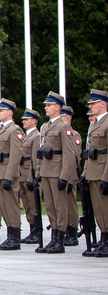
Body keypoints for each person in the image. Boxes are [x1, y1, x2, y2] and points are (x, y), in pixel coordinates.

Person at [36, 91, 76, 254]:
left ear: (58, 107)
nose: (46, 108)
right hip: (46, 171)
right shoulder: (45, 126)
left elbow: (69, 154)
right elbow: (41, 151)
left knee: (60, 207)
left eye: (49, 105)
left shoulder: (63, 126)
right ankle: (53, 237)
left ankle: (60, 239)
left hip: (57, 171)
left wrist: (64, 176)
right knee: (50, 206)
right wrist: (38, 172)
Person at [0, 99, 24, 250]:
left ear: (10, 112)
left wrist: (9, 177)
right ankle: (9, 236)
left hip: (7, 174)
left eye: (2, 110)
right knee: (3, 206)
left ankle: (15, 237)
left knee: (11, 206)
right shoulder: (1, 130)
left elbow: (16, 156)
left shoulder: (14, 130)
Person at [84, 89, 108, 257]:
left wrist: (106, 177)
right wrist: (85, 174)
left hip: (103, 172)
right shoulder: (94, 124)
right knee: (98, 210)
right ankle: (103, 239)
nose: (90, 106)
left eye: (93, 103)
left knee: (105, 209)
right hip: (93, 172)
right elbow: (89, 151)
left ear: (103, 103)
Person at [18, 109, 41, 244]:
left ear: (34, 121)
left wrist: (33, 177)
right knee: (27, 204)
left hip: (29, 173)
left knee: (33, 204)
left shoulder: (36, 136)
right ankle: (32, 230)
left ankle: (37, 231)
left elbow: (34, 158)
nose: (23, 121)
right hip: (22, 173)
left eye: (26, 119)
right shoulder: (27, 136)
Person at [60, 105, 81, 246]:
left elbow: (75, 157)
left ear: (67, 118)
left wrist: (70, 177)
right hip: (61, 171)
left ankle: (72, 230)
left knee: (70, 203)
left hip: (70, 173)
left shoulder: (73, 134)